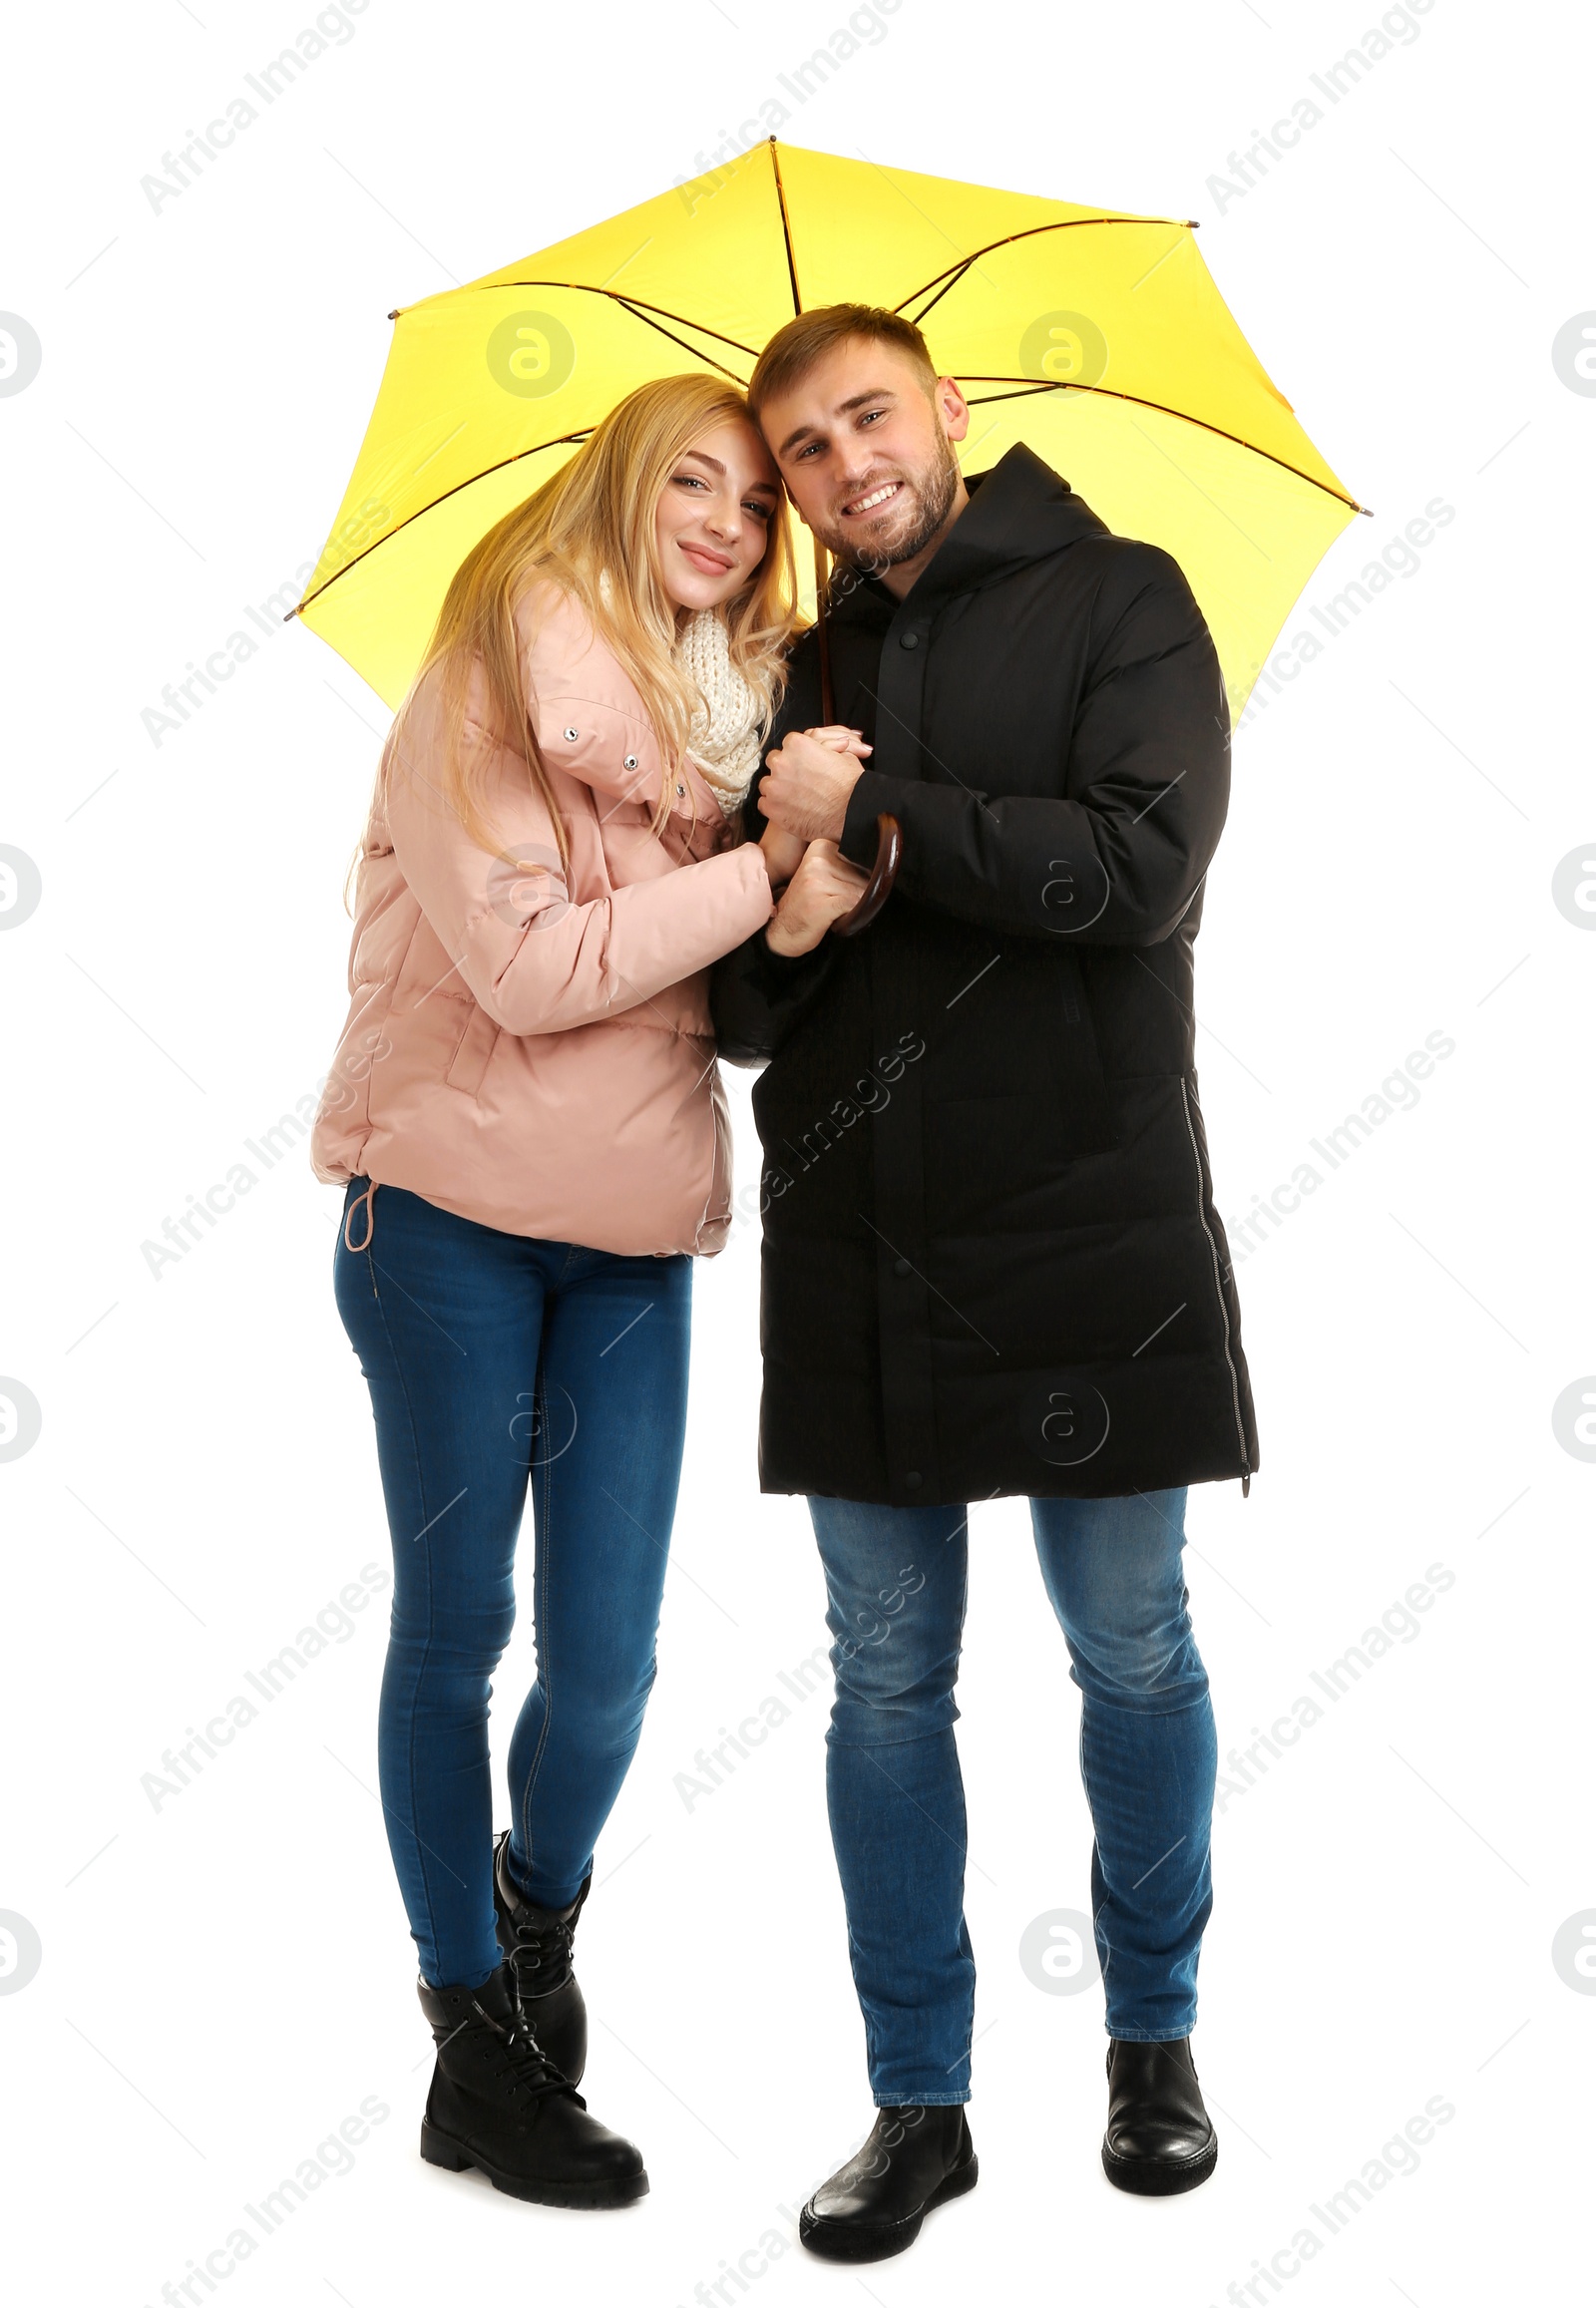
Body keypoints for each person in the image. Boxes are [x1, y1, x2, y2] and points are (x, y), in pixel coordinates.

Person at [712, 306, 1260, 2262]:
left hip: (1086, 1217)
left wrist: (871, 814)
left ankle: (1151, 2040)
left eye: (866, 414)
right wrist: (793, 891)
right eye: (798, 448)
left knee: (1128, 1648)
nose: (842, 461)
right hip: (860, 1237)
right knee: (879, 1677)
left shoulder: (1123, 594)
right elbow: (742, 1011)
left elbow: (1138, 870)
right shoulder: (781, 667)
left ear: (946, 410)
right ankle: (915, 2099)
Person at [311, 372, 860, 2210]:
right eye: (687, 478)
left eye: (752, 498)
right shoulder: (490, 670)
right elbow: (538, 967)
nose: (726, 516)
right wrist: (759, 881)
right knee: (457, 1631)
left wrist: (792, 891)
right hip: (447, 1222)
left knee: (610, 1662)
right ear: (619, 488)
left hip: (630, 1234)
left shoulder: (740, 734)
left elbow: (733, 1010)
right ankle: (471, 2035)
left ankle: (535, 1922)